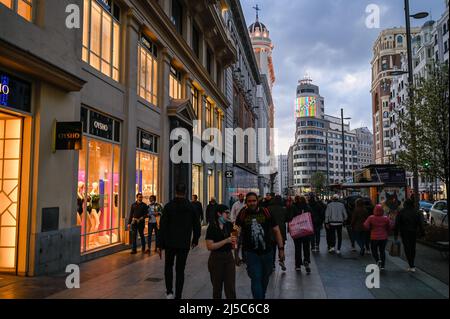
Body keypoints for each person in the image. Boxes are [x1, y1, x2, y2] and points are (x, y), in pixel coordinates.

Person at [236, 192, 285, 299]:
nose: (252, 203)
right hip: (251, 253)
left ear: (257, 201)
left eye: (254, 201)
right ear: (246, 202)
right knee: (256, 278)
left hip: (267, 252)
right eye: (249, 201)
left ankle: (261, 295)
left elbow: (276, 230)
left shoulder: (266, 212)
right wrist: (236, 253)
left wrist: (281, 249)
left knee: (265, 278)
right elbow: (236, 233)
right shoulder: (242, 214)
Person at [157, 183, 201, 299]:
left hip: (169, 243)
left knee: (168, 267)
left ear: (175, 191)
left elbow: (162, 226)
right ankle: (178, 295)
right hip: (183, 243)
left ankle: (169, 291)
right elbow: (197, 225)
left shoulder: (168, 206)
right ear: (185, 192)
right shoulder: (191, 207)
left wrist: (159, 244)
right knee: (180, 270)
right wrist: (195, 239)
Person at [205, 205, 237, 299]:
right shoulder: (212, 227)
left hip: (228, 258)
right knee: (217, 288)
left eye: (229, 212)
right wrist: (225, 241)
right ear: (219, 214)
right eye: (226, 213)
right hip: (216, 259)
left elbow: (235, 241)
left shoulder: (229, 225)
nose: (228, 215)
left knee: (230, 287)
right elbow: (209, 246)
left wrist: (235, 247)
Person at [394, 198, 425, 272]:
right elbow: (421, 223)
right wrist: (422, 233)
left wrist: (395, 234)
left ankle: (411, 264)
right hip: (413, 232)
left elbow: (397, 224)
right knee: (412, 247)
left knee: (407, 247)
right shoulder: (416, 212)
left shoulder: (401, 212)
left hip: (404, 232)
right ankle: (412, 263)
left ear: (405, 204)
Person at [288, 196, 312, 273]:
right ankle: (306, 261)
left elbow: (290, 218)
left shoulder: (293, 207)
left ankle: (298, 265)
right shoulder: (307, 207)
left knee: (297, 248)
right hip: (306, 230)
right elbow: (311, 216)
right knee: (306, 247)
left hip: (297, 230)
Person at [364, 205, 391, 270]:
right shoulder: (385, 218)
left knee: (374, 250)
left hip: (374, 237)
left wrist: (370, 228)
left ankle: (377, 260)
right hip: (383, 237)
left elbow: (365, 225)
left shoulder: (371, 217)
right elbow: (389, 227)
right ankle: (383, 266)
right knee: (382, 251)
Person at [268, 195, 288, 270]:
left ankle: (272, 264)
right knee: (281, 247)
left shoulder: (269, 209)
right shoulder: (283, 209)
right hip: (281, 230)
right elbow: (286, 219)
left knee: (272, 248)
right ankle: (282, 260)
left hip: (271, 230)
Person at [230, 193, 246, 265]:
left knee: (243, 242)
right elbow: (232, 213)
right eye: (240, 196)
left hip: (244, 226)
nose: (241, 197)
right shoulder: (235, 204)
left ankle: (244, 258)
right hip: (236, 225)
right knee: (235, 242)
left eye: (242, 196)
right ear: (238, 197)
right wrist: (233, 222)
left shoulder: (246, 204)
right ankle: (236, 257)